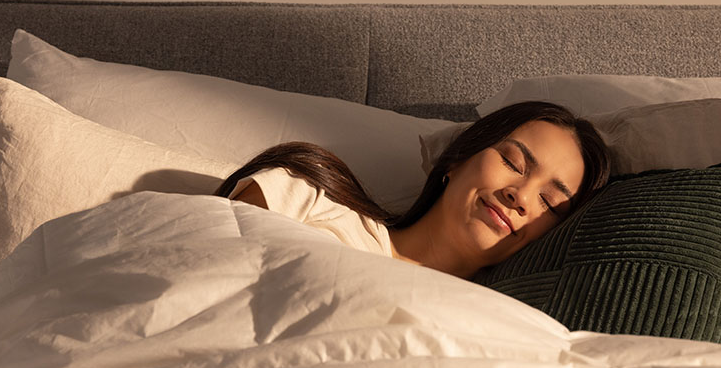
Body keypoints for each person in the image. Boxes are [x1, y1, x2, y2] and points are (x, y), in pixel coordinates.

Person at [215, 101, 612, 279]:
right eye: (513, 163)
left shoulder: (493, 324)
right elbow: (207, 275)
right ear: (458, 159)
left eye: (549, 203)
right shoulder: (305, 196)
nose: (521, 196)